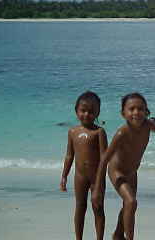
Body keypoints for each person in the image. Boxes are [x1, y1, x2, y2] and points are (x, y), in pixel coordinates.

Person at [92, 92, 155, 240]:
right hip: (117, 171)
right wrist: (98, 187)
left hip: (132, 172)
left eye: (140, 109)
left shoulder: (148, 125)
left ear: (146, 112)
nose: (136, 112)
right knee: (131, 202)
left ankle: (118, 234)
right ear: (123, 114)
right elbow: (105, 159)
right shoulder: (122, 133)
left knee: (128, 205)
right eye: (131, 109)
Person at [60, 91, 108, 240]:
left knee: (98, 208)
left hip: (96, 178)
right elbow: (69, 156)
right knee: (80, 207)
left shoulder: (99, 132)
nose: (86, 114)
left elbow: (104, 159)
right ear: (76, 111)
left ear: (97, 113)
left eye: (91, 111)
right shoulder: (72, 132)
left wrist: (99, 183)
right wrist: (64, 176)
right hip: (79, 177)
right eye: (83, 111)